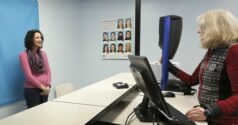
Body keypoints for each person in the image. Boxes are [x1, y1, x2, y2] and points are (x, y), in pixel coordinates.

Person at [167, 9, 238, 125]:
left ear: (215, 29)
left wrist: (210, 111)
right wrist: (168, 66)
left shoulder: (234, 51)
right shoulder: (213, 50)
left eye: (203, 27)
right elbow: (192, 80)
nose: (198, 31)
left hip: (227, 120)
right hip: (212, 117)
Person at [19, 30, 51, 108]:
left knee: (44, 113)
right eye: (37, 37)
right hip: (32, 91)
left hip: (45, 89)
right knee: (34, 117)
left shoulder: (43, 54)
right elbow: (29, 76)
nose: (40, 39)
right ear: (30, 39)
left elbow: (48, 71)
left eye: (41, 37)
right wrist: (44, 88)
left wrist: (48, 86)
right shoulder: (23, 55)